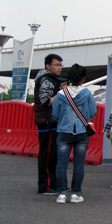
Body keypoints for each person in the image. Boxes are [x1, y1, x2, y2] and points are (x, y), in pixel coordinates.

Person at [51, 63, 97, 204]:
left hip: (64, 131)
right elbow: (93, 112)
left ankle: (62, 193)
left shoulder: (60, 94)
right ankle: (76, 193)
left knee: (61, 164)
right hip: (82, 132)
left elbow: (55, 114)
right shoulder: (87, 93)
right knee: (78, 164)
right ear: (83, 79)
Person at [33, 53, 65, 195]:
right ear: (48, 66)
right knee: (47, 155)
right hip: (47, 122)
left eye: (60, 65)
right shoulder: (46, 80)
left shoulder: (50, 79)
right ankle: (45, 185)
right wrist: (61, 93)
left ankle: (53, 183)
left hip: (51, 121)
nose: (60, 68)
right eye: (56, 65)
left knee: (53, 154)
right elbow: (46, 102)